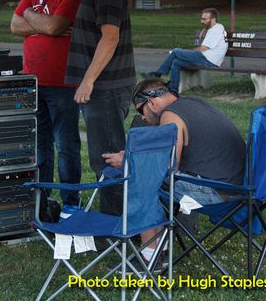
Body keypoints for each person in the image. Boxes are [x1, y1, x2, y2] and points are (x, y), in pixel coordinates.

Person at [103, 77, 245, 262]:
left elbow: (168, 167)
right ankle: (160, 246)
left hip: (218, 193)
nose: (143, 118)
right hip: (240, 187)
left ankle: (150, 256)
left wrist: (130, 161)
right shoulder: (193, 102)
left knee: (144, 175)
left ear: (152, 102)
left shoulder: (170, 116)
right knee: (148, 171)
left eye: (141, 111)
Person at [65, 0, 136, 216]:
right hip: (103, 88)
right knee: (105, 156)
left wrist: (88, 80)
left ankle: (114, 226)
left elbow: (110, 36)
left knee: (108, 159)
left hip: (105, 89)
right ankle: (114, 219)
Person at [10, 0, 86, 208]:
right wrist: (35, 19)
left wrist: (32, 17)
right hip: (33, 81)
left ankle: (70, 203)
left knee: (65, 146)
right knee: (40, 145)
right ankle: (42, 199)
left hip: (63, 83)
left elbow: (56, 26)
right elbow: (14, 24)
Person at [142, 8, 227, 93]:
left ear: (213, 19)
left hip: (208, 59)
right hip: (208, 58)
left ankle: (157, 75)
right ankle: (173, 88)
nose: (202, 21)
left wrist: (189, 53)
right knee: (176, 62)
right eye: (201, 18)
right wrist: (205, 29)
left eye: (205, 19)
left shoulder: (215, 31)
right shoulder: (217, 27)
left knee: (176, 51)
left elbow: (202, 49)